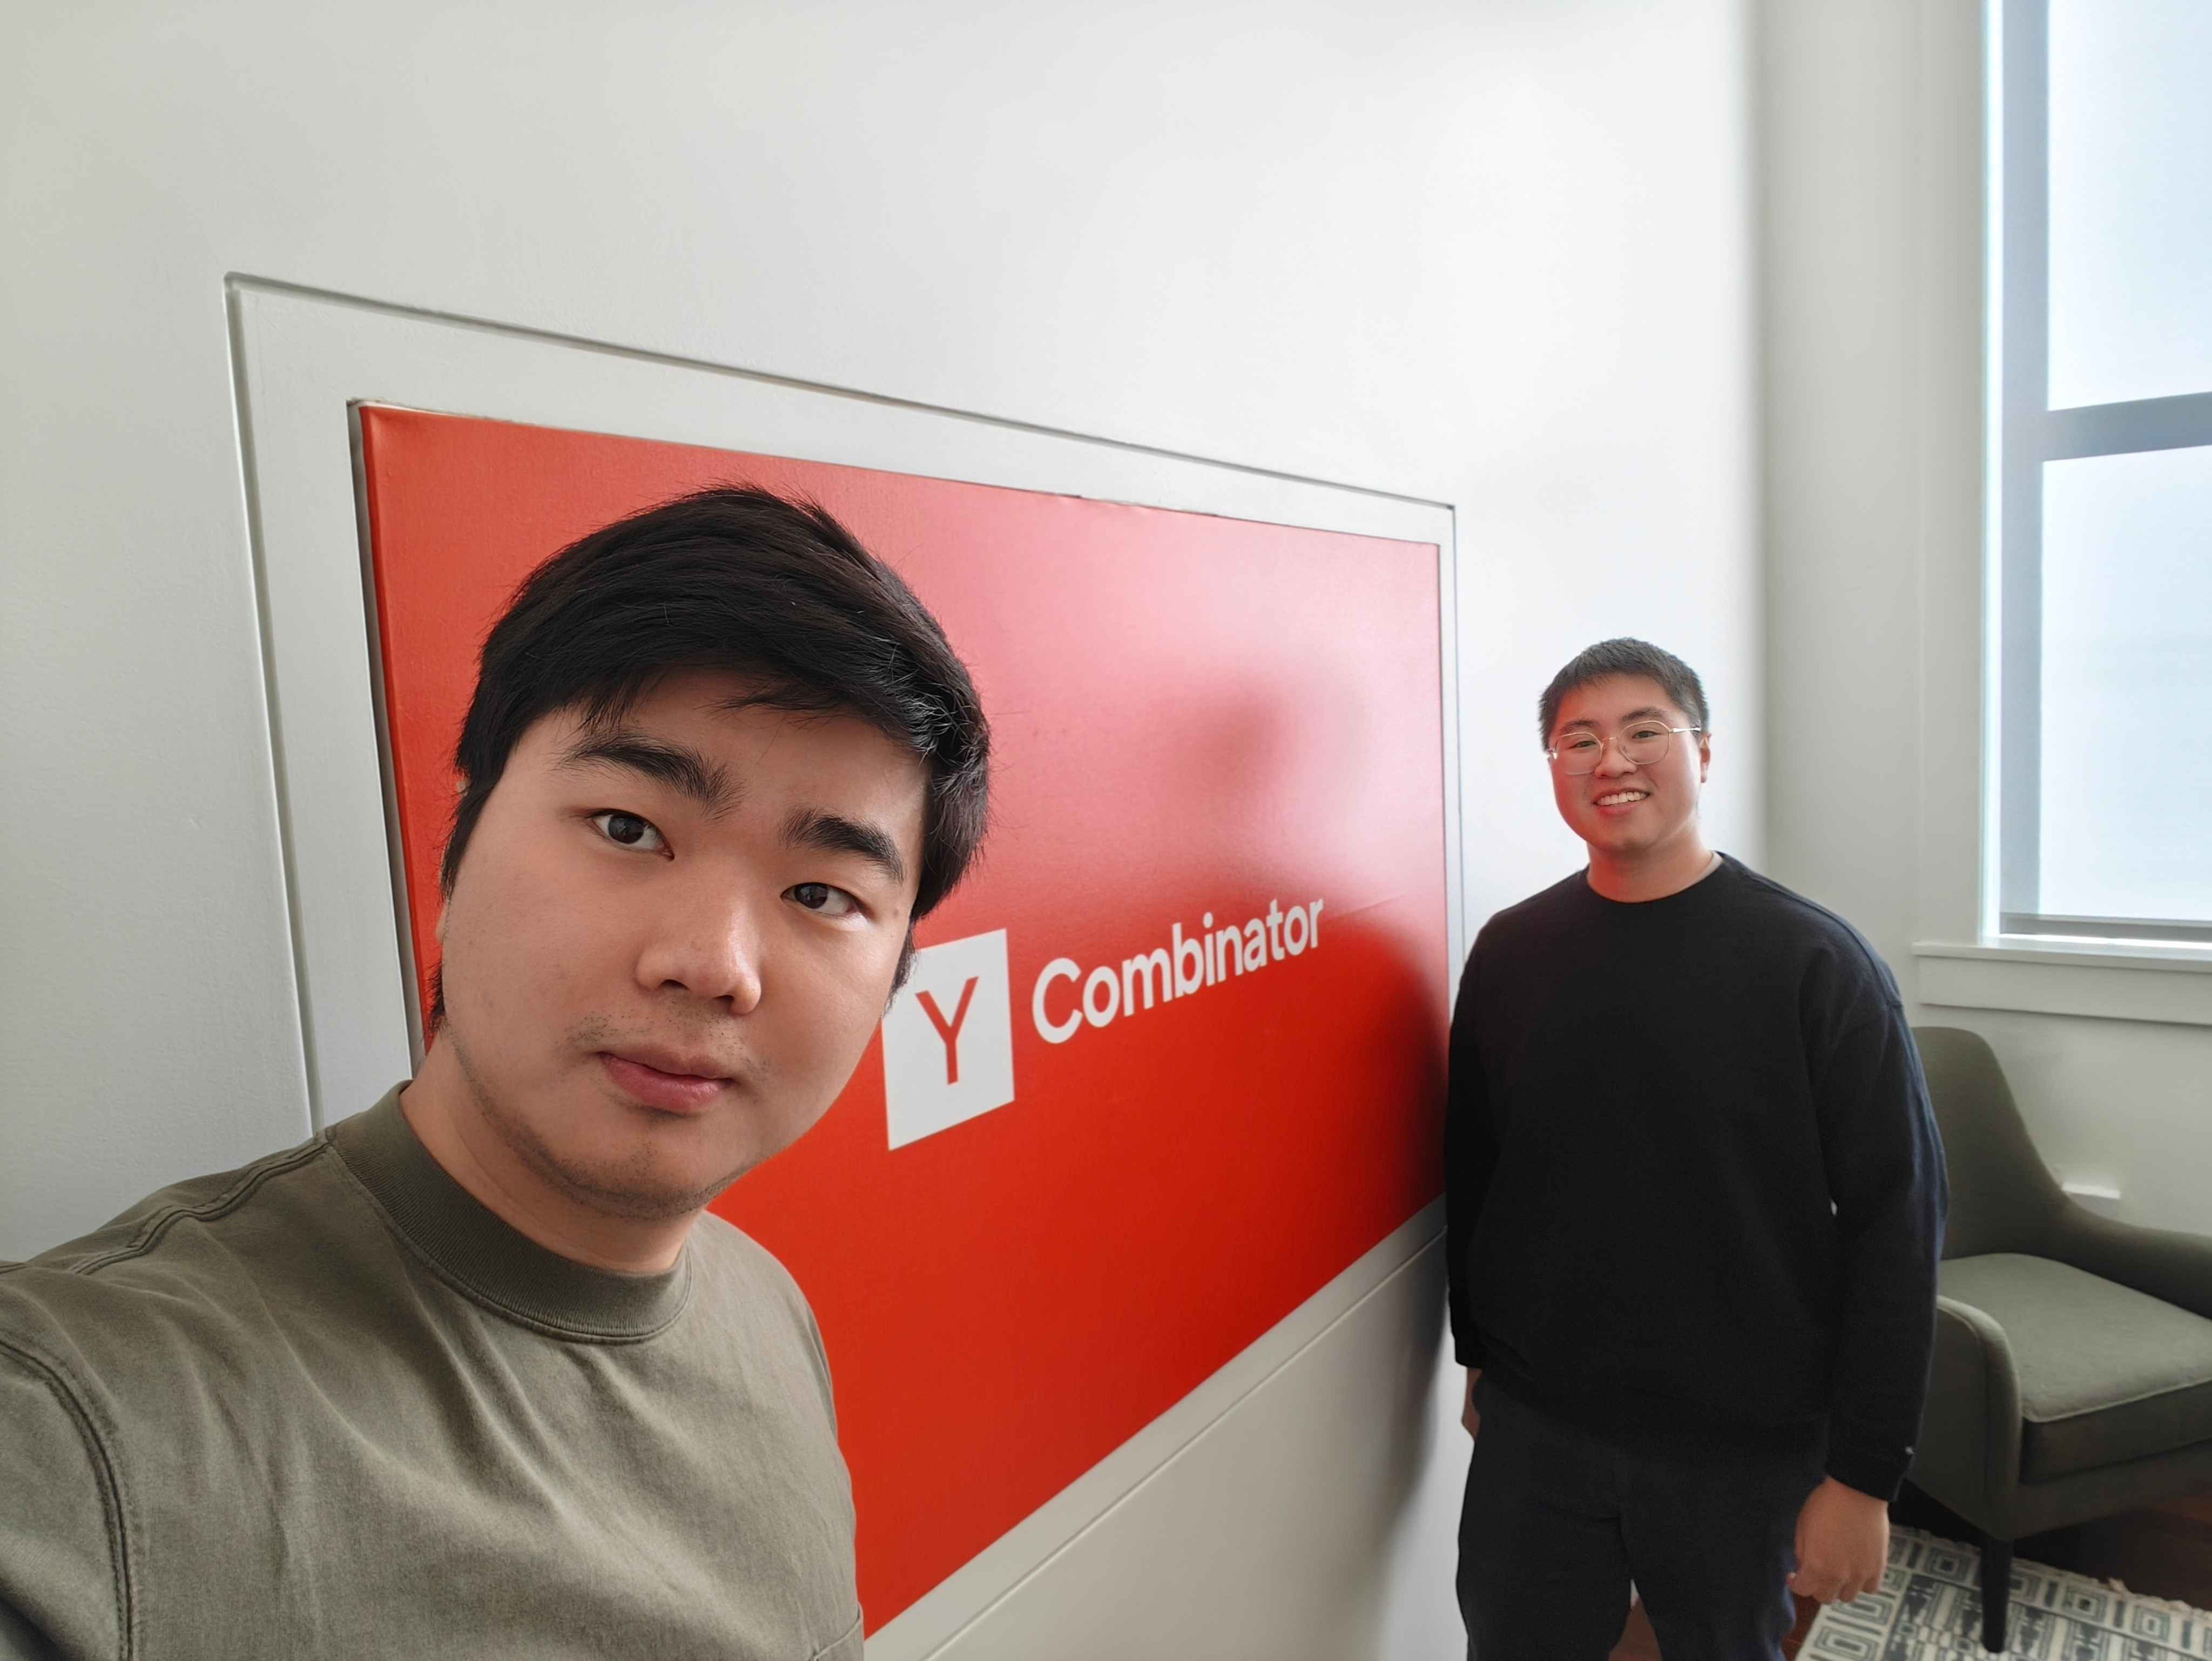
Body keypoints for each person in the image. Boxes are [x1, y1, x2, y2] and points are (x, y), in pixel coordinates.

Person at [0, 487, 989, 1660]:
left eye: (822, 893)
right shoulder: (82, 1419)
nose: (711, 964)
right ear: (454, 858)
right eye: (627, 827)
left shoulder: (767, 1310)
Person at [1445, 638, 1945, 1660]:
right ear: (1554, 767)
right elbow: (1479, 1168)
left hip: (1740, 1445)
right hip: (1541, 1422)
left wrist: (1864, 1477)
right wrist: (1480, 1356)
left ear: (1704, 753)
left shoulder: (1814, 962)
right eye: (1578, 740)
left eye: (1644, 732)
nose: (1611, 761)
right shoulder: (1510, 951)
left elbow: (1898, 1222)